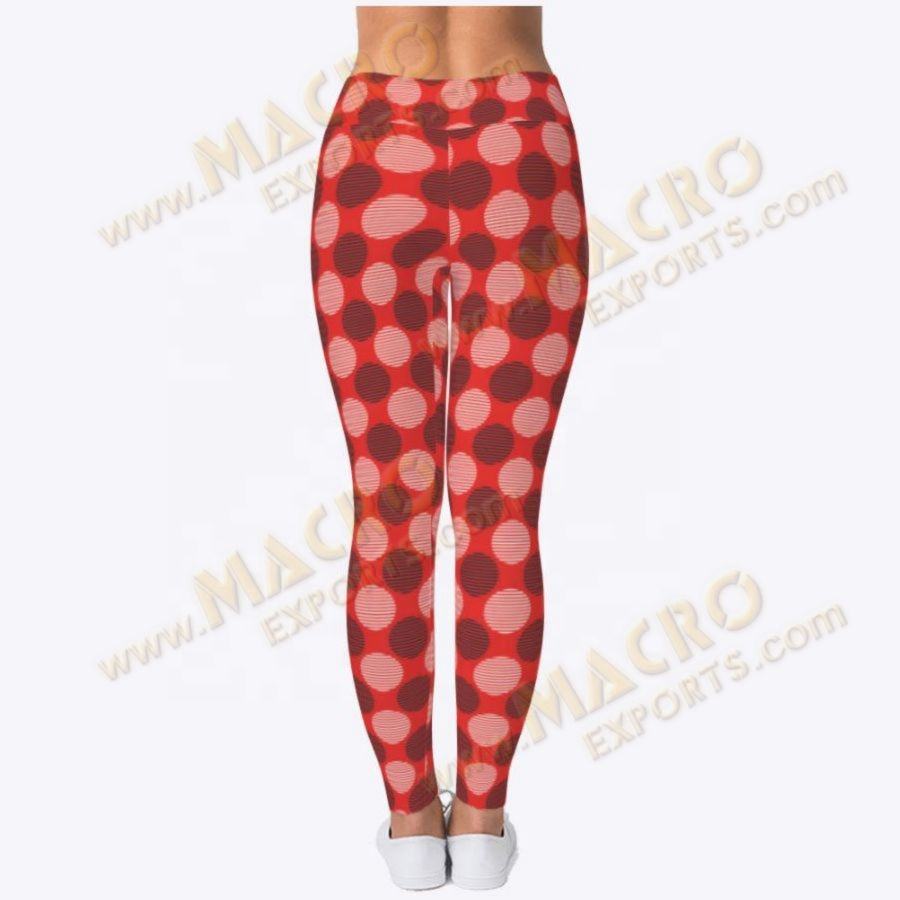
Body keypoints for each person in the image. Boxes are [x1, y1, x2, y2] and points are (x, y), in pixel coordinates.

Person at [310, 5, 587, 889]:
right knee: (499, 512)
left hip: (374, 149)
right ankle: (480, 824)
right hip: (520, 147)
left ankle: (410, 824)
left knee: (389, 509)